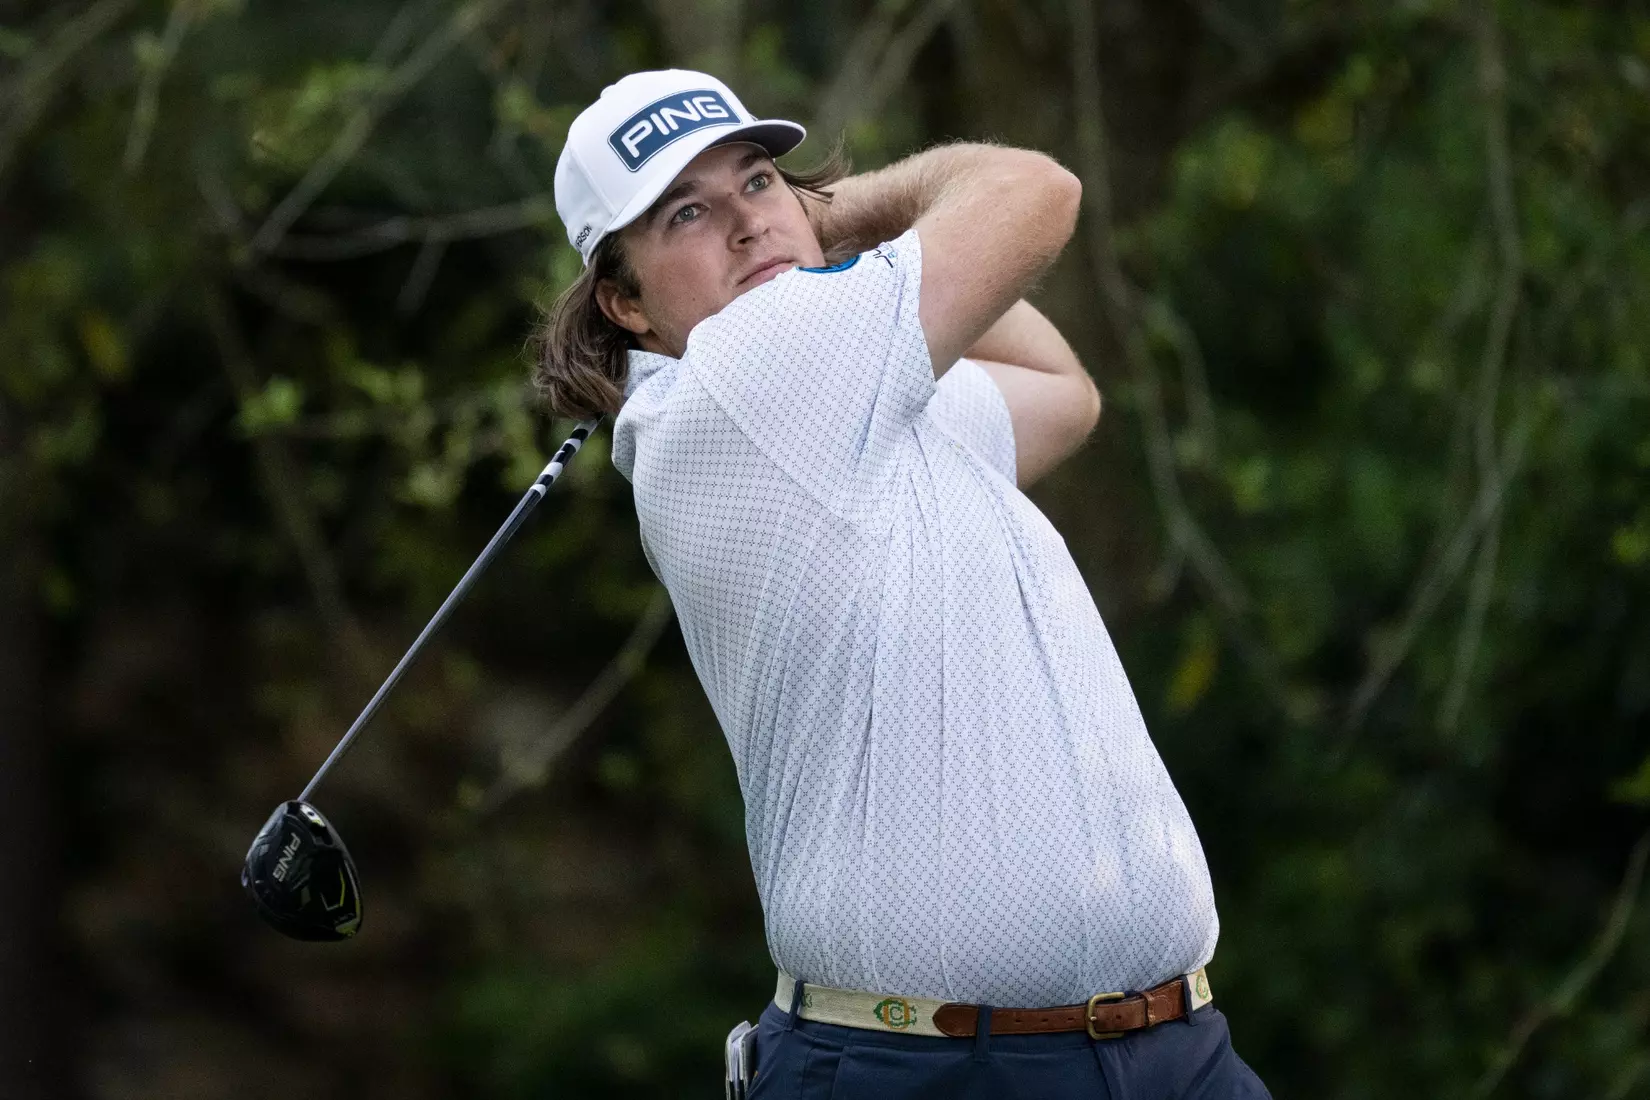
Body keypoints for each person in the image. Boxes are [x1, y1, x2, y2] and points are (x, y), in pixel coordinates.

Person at [537, 68, 1271, 1099]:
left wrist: (813, 238)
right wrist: (837, 214)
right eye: (689, 214)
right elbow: (1036, 192)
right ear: (626, 304)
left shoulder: (857, 400)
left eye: (757, 181)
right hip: (934, 1070)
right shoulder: (742, 389)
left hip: (1171, 1050)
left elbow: (1064, 396)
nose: (746, 225)